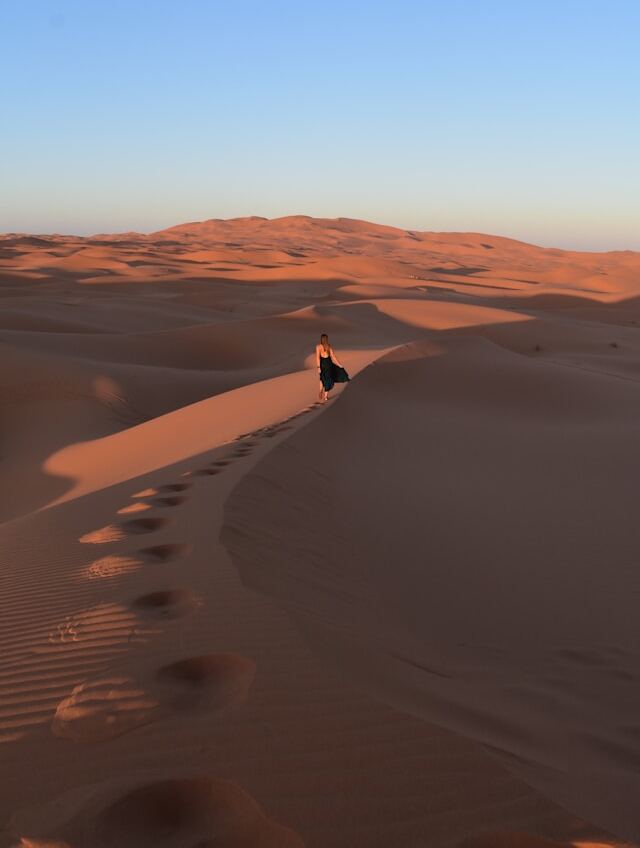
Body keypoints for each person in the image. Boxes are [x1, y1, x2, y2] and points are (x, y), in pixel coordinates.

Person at [316, 333, 349, 402]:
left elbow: (318, 358)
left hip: (323, 365)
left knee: (322, 378)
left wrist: (318, 367)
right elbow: (333, 357)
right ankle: (325, 396)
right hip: (329, 364)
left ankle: (320, 390)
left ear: (321, 339)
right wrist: (339, 365)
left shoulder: (318, 347)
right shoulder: (329, 346)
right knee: (329, 379)